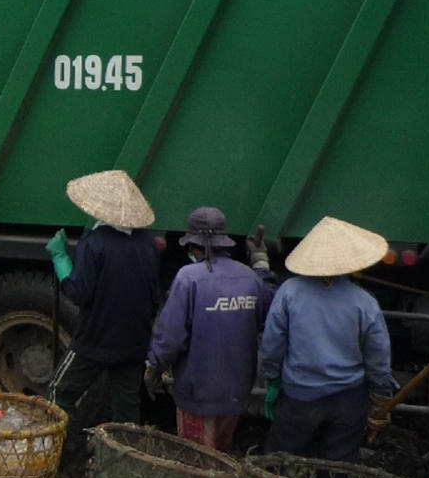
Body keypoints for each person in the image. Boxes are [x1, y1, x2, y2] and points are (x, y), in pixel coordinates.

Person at [259, 215, 396, 462]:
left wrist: (273, 379)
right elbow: (378, 356)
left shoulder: (289, 292)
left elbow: (272, 345)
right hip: (349, 399)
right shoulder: (365, 303)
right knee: (338, 466)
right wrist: (381, 392)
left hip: (300, 395)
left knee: (278, 463)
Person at [145, 207, 276, 451]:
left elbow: (171, 337)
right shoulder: (249, 277)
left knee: (198, 463)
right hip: (237, 391)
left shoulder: (189, 277)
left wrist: (154, 366)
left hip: (198, 392)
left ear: (196, 247)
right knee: (221, 454)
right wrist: (261, 262)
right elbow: (271, 311)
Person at [45, 169, 161, 426]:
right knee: (127, 409)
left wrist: (60, 258)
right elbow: (153, 295)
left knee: (59, 393)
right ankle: (121, 458)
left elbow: (79, 293)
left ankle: (70, 449)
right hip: (134, 341)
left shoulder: (95, 243)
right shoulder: (148, 242)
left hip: (95, 339)